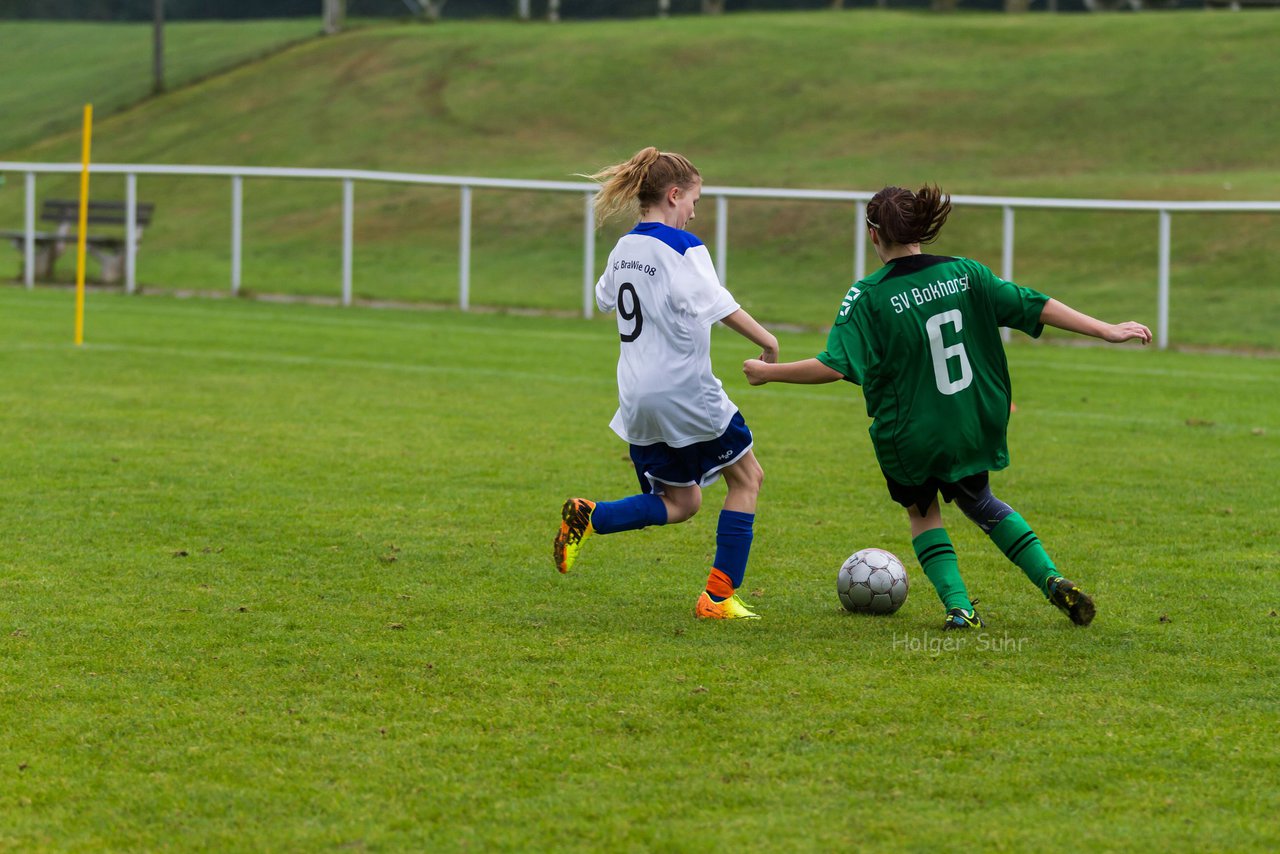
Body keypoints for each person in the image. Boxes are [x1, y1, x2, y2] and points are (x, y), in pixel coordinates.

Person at [742, 184, 1151, 630]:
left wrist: (768, 374)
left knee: (923, 513)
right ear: (919, 227)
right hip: (969, 420)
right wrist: (1107, 329)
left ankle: (960, 608)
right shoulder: (967, 273)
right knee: (980, 500)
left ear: (873, 235)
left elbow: (834, 365)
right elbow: (1036, 305)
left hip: (911, 432)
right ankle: (1051, 578)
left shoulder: (868, 295)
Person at [554, 146, 779, 620]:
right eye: (694, 200)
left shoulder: (624, 249)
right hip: (685, 392)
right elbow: (719, 305)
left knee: (681, 500)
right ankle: (717, 599)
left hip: (636, 398)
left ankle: (590, 516)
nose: (695, 211)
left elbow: (604, 299)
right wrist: (769, 342)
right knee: (748, 478)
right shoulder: (684, 247)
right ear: (674, 195)